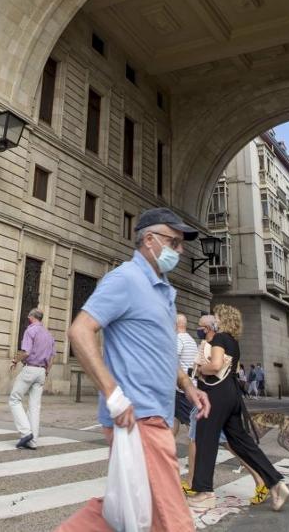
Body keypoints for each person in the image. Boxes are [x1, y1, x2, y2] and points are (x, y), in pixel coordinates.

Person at [56, 208, 210, 532]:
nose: (180, 251)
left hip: (157, 416)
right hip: (138, 417)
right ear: (149, 240)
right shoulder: (125, 279)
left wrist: (187, 385)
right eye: (174, 242)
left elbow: (161, 350)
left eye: (181, 244)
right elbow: (80, 331)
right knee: (174, 521)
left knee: (123, 512)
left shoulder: (163, 290)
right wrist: (113, 394)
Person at [190, 304, 288, 511]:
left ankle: (204, 492)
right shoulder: (234, 342)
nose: (213, 319)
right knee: (242, 442)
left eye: (216, 316)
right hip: (233, 396)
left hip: (216, 395)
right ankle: (275, 482)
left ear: (222, 319)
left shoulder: (219, 338)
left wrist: (199, 369)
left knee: (205, 438)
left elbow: (215, 365)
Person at [8, 308, 55, 450]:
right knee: (35, 406)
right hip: (42, 371)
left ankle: (26, 432)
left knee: (14, 399)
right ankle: (33, 442)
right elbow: (52, 357)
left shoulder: (30, 331)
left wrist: (15, 361)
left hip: (30, 368)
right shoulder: (49, 335)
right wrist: (46, 371)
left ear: (31, 317)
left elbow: (26, 352)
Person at [173, 313, 200, 440]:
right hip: (188, 386)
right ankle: (165, 451)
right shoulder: (191, 340)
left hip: (181, 389)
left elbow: (173, 360)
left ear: (175, 324)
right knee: (173, 420)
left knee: (192, 425)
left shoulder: (178, 339)